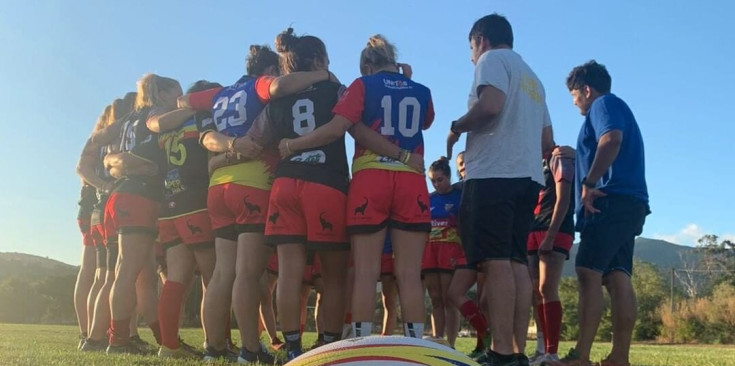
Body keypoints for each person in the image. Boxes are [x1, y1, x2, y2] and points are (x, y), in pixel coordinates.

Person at [178, 44, 330, 363]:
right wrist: (321, 74)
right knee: (248, 273)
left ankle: (213, 347)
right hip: (253, 184)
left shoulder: (220, 94)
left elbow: (185, 101)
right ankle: (249, 350)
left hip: (219, 186)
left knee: (222, 273)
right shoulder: (260, 85)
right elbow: (277, 87)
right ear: (269, 69)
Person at [278, 34, 433, 340]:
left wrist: (292, 145)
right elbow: (425, 122)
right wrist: (408, 81)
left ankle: (362, 341)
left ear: (366, 64)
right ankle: (415, 344)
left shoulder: (361, 86)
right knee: (409, 273)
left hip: (370, 179)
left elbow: (342, 127)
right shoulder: (422, 91)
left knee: (365, 271)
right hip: (410, 179)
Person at [447, 14, 554, 366]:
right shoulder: (534, 79)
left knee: (496, 263)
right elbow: (547, 141)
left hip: (494, 174)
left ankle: (502, 351)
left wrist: (456, 127)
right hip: (527, 178)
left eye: (471, 48)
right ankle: (518, 351)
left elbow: (490, 106)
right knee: (515, 261)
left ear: (481, 40)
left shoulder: (492, 61)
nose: (471, 57)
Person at [244, 28, 350, 361]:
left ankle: (290, 349)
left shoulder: (278, 99)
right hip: (326, 184)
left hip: (285, 184)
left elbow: (255, 139)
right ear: (318, 60)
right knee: (333, 275)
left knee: (288, 273)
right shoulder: (336, 88)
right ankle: (329, 345)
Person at [551, 61, 649, 366]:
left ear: (587, 90)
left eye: (574, 96)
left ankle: (581, 355)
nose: (574, 102)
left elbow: (611, 139)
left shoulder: (603, 104)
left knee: (588, 272)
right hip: (629, 202)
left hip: (606, 200)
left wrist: (589, 182)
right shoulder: (614, 107)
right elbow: (601, 144)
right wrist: (576, 153)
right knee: (618, 276)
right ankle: (619, 357)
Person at [104, 74, 179, 354]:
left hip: (128, 194)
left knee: (144, 275)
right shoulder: (154, 114)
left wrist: (125, 167)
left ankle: (164, 339)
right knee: (127, 270)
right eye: (177, 95)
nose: (179, 101)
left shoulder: (128, 121)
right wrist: (193, 108)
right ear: (161, 95)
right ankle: (118, 339)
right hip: (139, 196)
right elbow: (156, 126)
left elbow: (111, 159)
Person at [147, 80, 221, 358]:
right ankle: (216, 342)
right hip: (196, 201)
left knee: (176, 277)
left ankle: (169, 346)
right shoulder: (201, 117)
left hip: (169, 204)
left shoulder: (167, 125)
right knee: (215, 277)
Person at [526, 145, 575, 366]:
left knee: (547, 288)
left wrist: (551, 235)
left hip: (554, 229)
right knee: (535, 292)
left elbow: (563, 198)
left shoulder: (560, 157)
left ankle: (552, 352)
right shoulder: (531, 163)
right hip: (532, 229)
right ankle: (540, 349)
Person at [74, 104, 112, 349]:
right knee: (92, 270)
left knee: (95, 270)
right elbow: (81, 168)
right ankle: (87, 331)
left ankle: (91, 332)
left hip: (94, 207)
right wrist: (102, 185)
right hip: (92, 208)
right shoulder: (98, 139)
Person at [423, 157, 463, 347]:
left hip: (451, 249)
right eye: (433, 181)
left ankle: (452, 344)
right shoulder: (429, 199)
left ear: (448, 177)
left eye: (440, 179)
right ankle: (437, 340)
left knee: (449, 299)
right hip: (430, 250)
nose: (437, 184)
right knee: (436, 298)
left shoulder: (459, 195)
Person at [380, 235, 398, 336]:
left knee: (389, 300)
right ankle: (357, 339)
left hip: (390, 254)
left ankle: (386, 336)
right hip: (370, 253)